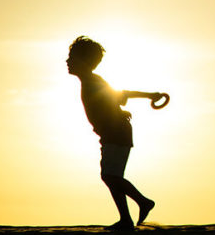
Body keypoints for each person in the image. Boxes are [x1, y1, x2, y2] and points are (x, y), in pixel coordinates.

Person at [66, 36, 163, 230]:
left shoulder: (93, 81)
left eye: (72, 57)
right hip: (111, 132)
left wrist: (149, 96)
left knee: (110, 176)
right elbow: (116, 98)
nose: (67, 61)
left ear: (83, 60)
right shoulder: (90, 81)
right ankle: (126, 219)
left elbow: (120, 94)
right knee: (111, 176)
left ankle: (143, 202)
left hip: (115, 132)